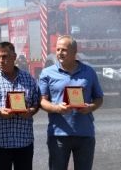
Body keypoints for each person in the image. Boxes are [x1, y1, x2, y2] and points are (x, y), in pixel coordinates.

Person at [39, 35, 104, 170]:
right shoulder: (47, 73)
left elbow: (99, 98)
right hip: (58, 134)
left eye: (64, 50)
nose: (59, 53)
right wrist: (57, 108)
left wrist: (90, 107)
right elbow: (41, 101)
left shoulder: (89, 72)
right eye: (58, 49)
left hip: (85, 134)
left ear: (74, 52)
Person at [0, 42, 40, 170]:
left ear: (14, 57)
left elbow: (36, 103)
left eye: (4, 56)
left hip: (24, 141)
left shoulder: (28, 78)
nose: (0, 60)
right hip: (0, 142)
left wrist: (30, 111)